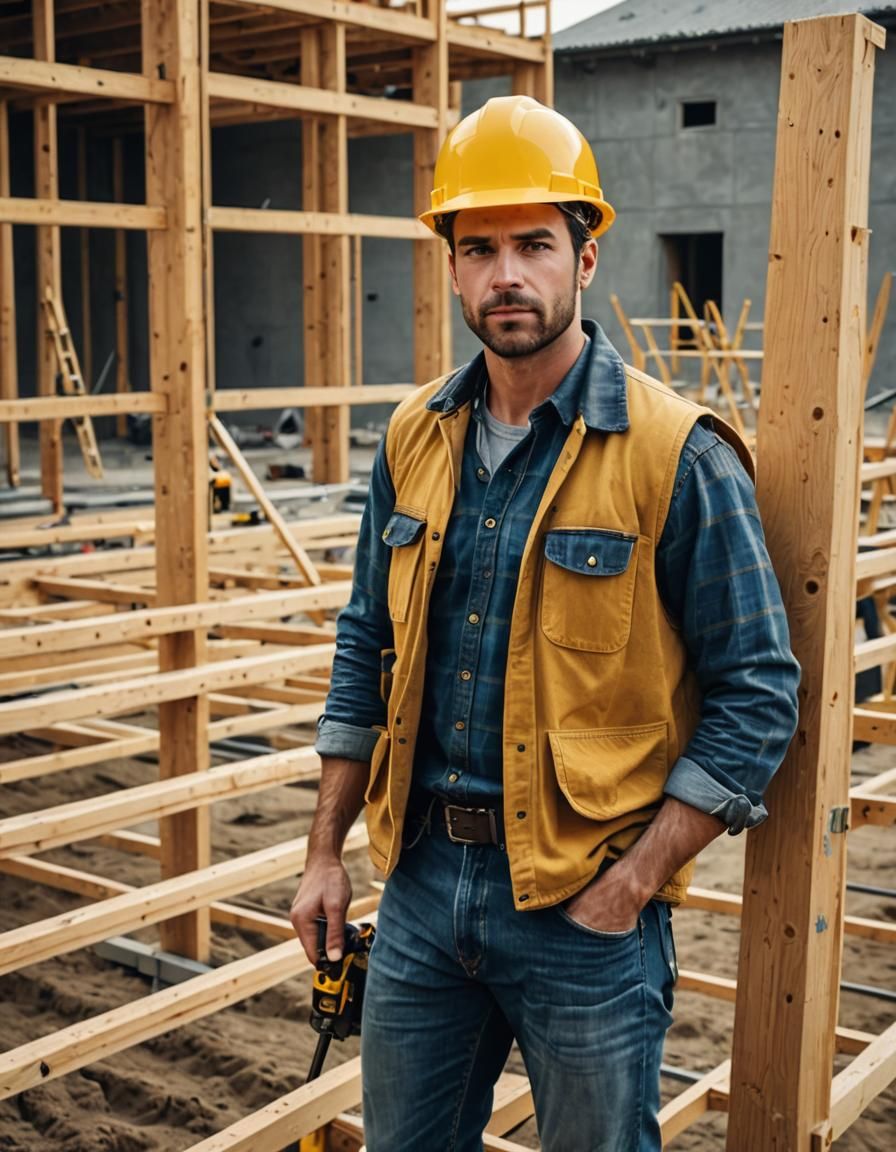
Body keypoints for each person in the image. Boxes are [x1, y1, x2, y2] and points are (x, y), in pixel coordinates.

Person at [290, 95, 800, 1152]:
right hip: (424, 891)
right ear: (450, 265)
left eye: (533, 244)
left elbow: (756, 693)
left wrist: (631, 886)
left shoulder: (676, 454)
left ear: (586, 256)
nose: (504, 275)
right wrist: (324, 852)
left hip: (586, 914)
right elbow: (364, 650)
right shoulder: (411, 438)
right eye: (477, 248)